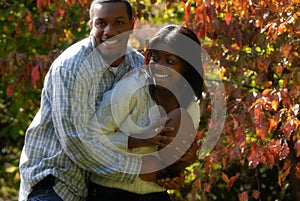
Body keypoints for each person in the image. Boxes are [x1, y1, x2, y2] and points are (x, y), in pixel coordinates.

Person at [18, 1, 181, 201]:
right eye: (101, 23)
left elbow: (165, 122)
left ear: (131, 25)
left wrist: (174, 171)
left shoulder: (139, 66)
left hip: (102, 185)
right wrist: (145, 172)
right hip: (55, 181)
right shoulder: (70, 67)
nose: (109, 31)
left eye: (118, 22)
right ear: (91, 25)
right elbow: (78, 144)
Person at [86, 24, 204, 201]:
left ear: (187, 67)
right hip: (109, 192)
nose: (158, 66)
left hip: (154, 194)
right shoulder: (131, 88)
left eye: (170, 61)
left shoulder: (191, 106)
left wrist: (183, 165)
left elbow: (167, 162)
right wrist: (137, 140)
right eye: (154, 58)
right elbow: (90, 138)